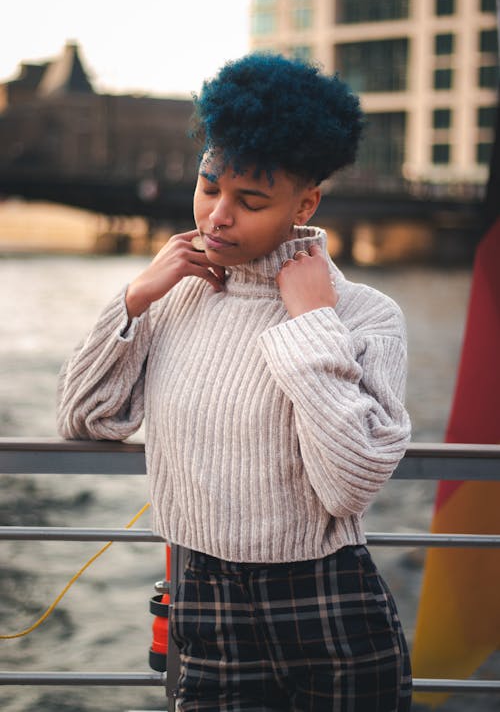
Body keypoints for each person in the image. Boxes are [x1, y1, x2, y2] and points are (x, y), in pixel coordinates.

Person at [57, 53, 412, 711]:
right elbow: (85, 417)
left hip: (326, 608)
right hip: (204, 599)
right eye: (208, 185)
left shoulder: (363, 314)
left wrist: (311, 322)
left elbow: (351, 482)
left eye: (250, 200)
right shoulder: (178, 296)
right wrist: (135, 297)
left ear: (305, 203)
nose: (217, 215)